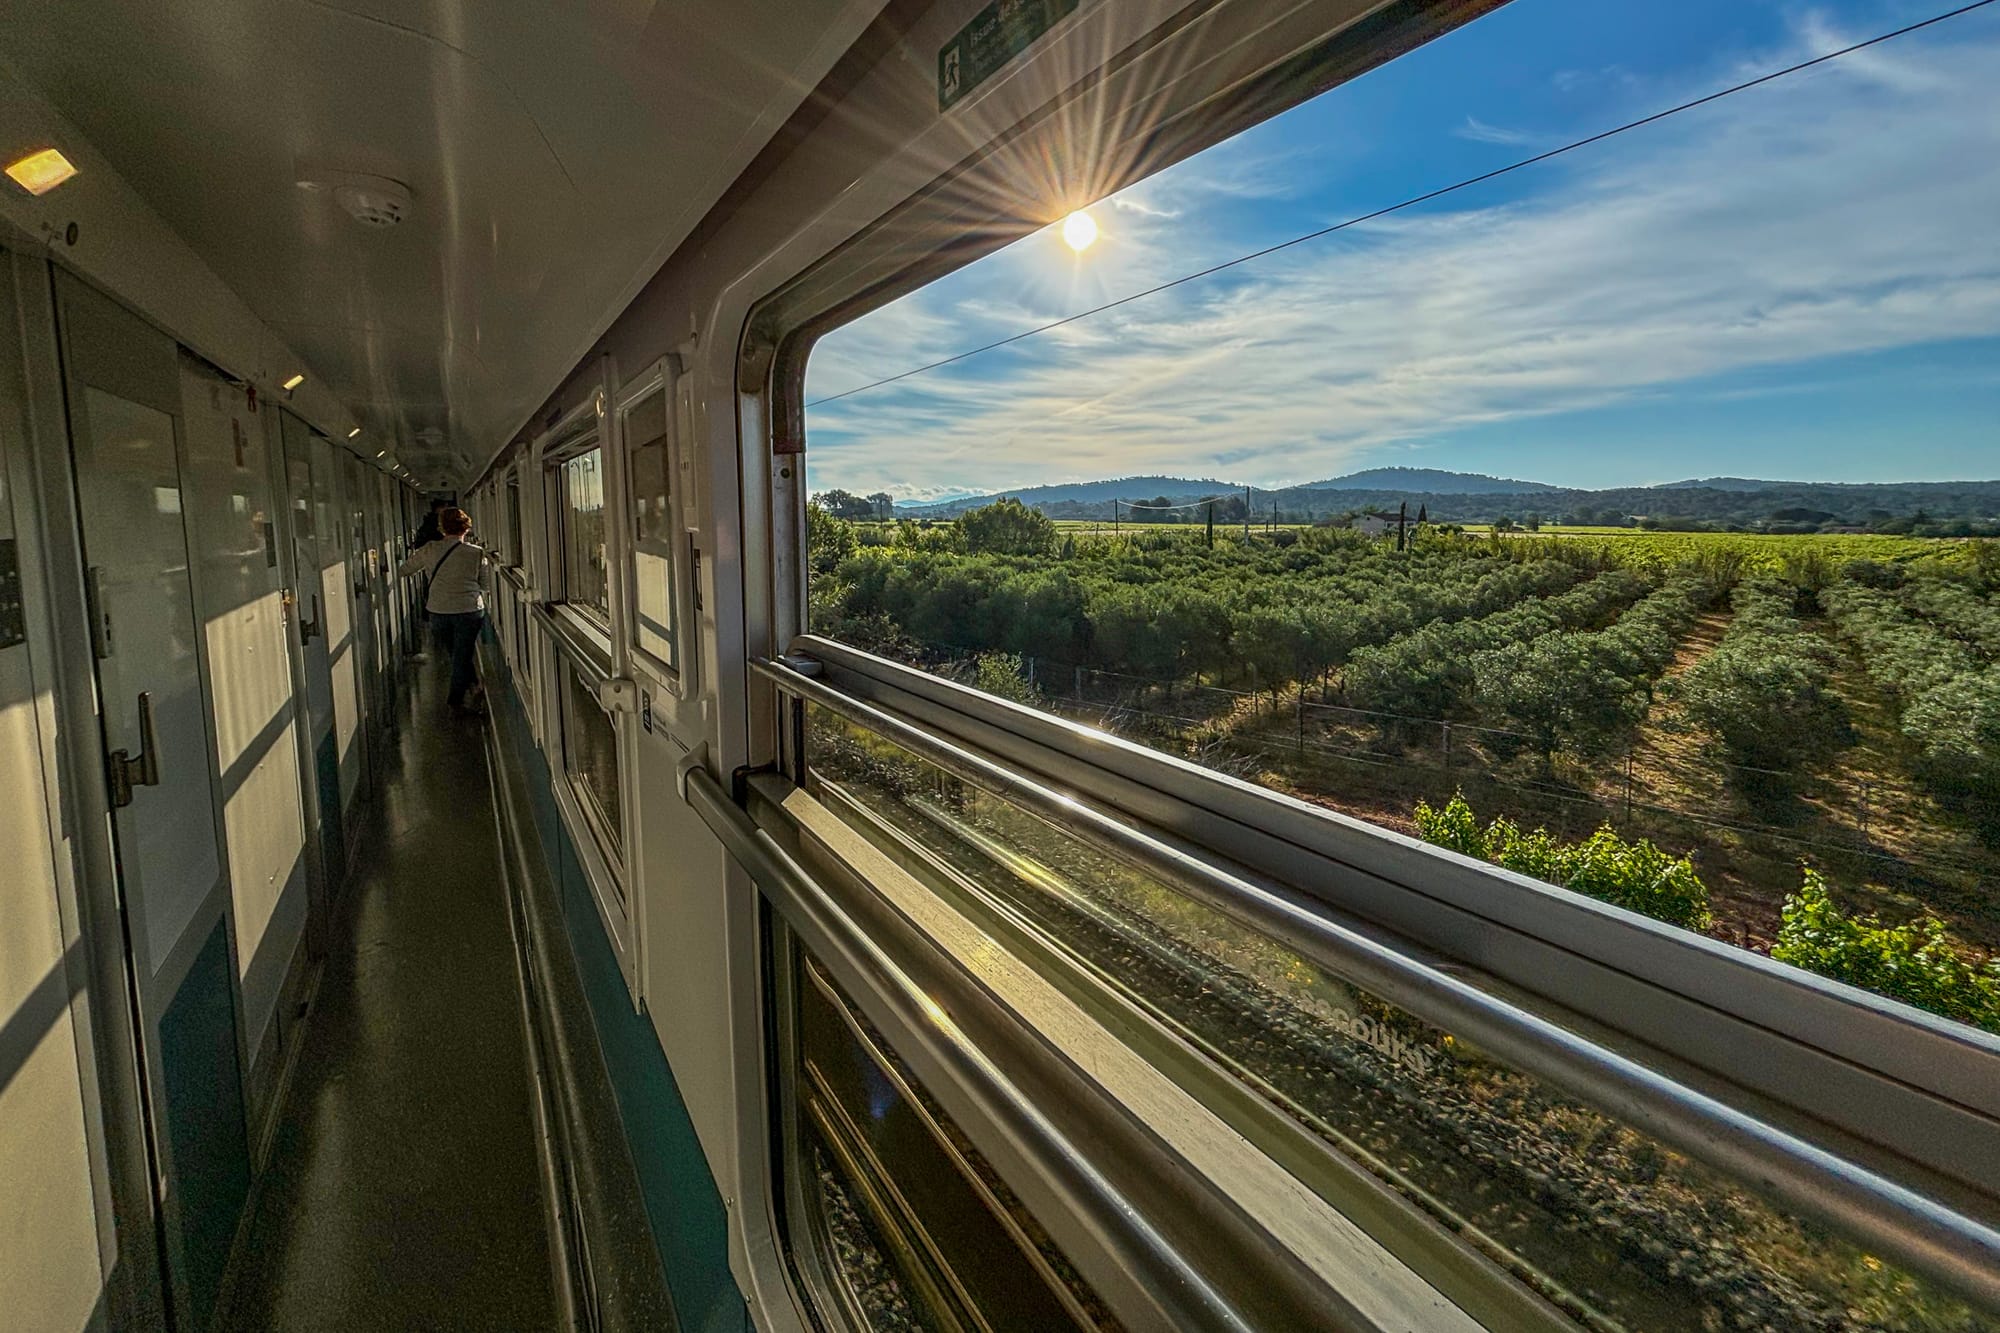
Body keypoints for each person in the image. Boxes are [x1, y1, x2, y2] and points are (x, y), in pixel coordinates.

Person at [399, 507, 490, 715]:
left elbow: (405, 570)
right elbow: (484, 585)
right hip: (469, 610)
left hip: (439, 611)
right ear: (466, 528)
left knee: (457, 655)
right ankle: (455, 703)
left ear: (441, 528)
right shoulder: (477, 553)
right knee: (462, 655)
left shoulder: (429, 550)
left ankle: (475, 685)